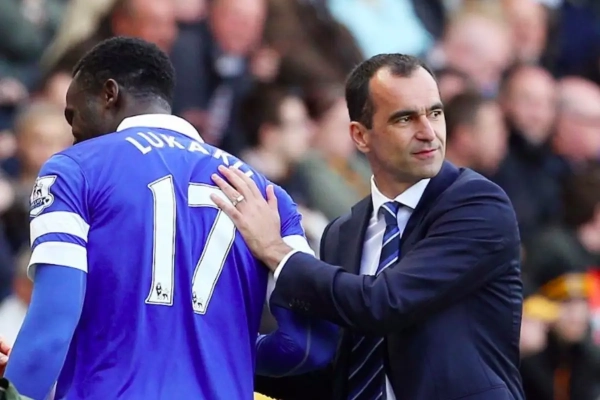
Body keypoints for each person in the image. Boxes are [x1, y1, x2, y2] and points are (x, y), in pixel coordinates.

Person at [2, 37, 337, 400]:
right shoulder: (266, 195)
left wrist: (13, 389)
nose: (74, 131)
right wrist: (226, 349)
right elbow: (310, 344)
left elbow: (52, 325)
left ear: (109, 94)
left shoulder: (75, 169)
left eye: (73, 114)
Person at [210, 54, 524, 400]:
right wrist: (218, 350)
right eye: (405, 118)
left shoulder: (477, 204)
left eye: (435, 113)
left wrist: (275, 251)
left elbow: (385, 303)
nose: (428, 132)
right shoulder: (342, 232)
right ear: (360, 136)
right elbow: (338, 373)